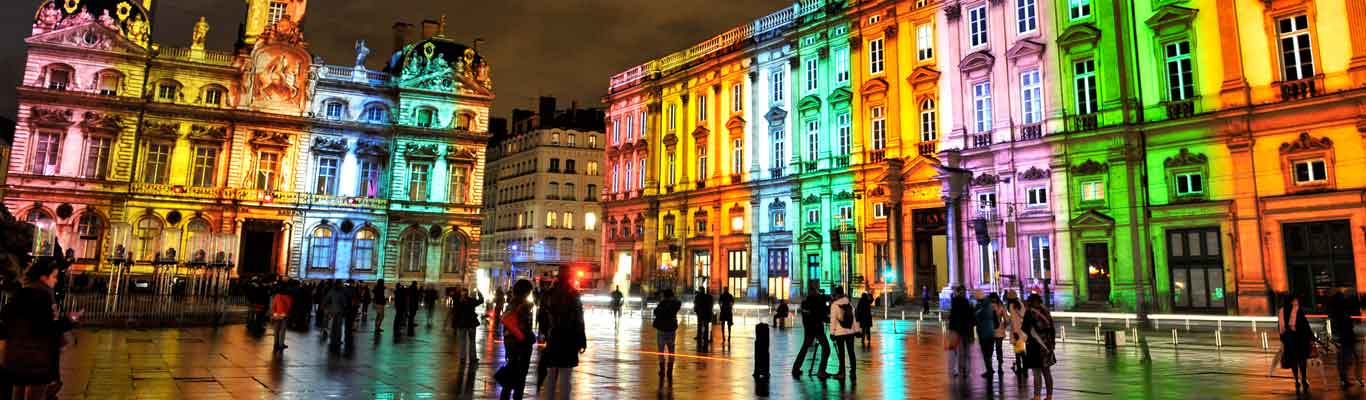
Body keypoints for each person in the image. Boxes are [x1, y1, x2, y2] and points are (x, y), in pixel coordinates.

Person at [3, 261, 81, 400]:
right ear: (43, 278)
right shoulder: (43, 296)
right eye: (54, 276)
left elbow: (7, 320)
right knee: (36, 393)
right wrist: (70, 320)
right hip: (37, 358)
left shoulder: (19, 294)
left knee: (18, 391)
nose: (56, 280)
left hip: (16, 356)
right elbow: (47, 328)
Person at [539, 267, 587, 400]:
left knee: (551, 375)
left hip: (553, 338)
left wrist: (544, 333)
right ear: (570, 278)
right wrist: (582, 339)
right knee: (566, 377)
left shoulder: (549, 294)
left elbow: (542, 316)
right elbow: (579, 319)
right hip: (569, 339)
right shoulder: (574, 295)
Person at [496, 280, 536, 400]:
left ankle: (505, 396)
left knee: (511, 371)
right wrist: (530, 337)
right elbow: (523, 326)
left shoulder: (511, 304)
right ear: (526, 291)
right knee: (521, 374)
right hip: (521, 342)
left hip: (510, 342)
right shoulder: (523, 305)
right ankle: (516, 397)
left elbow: (507, 324)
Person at [791, 283, 831, 378]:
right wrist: (830, 319)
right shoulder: (817, 303)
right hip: (817, 330)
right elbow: (823, 316)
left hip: (808, 330)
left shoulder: (805, 303)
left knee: (804, 349)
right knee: (826, 349)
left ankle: (795, 368)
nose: (818, 293)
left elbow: (807, 317)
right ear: (814, 292)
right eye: (816, 291)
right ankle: (821, 370)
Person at [1023, 294, 1056, 400]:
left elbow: (1025, 328)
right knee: (1047, 372)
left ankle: (1037, 396)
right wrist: (1053, 343)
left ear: (1030, 302)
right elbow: (1052, 329)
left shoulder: (1029, 313)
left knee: (1036, 372)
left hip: (1034, 347)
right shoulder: (1046, 312)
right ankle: (1049, 396)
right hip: (1047, 346)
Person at [1280, 294, 1314, 392]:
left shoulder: (1281, 311)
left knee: (1293, 361)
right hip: (1299, 338)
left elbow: (1280, 327)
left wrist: (1283, 339)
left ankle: (1296, 380)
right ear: (1292, 301)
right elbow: (1305, 324)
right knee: (1302, 359)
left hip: (1288, 339)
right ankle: (1304, 379)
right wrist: (1311, 336)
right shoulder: (1297, 310)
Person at [1329, 290, 1362, 387]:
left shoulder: (1337, 313)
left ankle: (1346, 379)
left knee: (1346, 359)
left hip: (1345, 338)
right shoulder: (1340, 313)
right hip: (1345, 338)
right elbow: (1344, 326)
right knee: (1347, 359)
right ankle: (1348, 379)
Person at [827, 286, 860, 381]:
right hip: (850, 332)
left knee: (841, 354)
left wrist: (832, 333)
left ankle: (842, 372)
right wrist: (857, 330)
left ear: (837, 294)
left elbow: (833, 320)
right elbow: (854, 319)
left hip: (839, 333)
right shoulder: (849, 303)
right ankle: (853, 372)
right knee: (851, 352)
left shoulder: (834, 305)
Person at [652, 289, 683, 380]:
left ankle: (662, 370)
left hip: (661, 330)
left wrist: (663, 300)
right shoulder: (674, 304)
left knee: (661, 351)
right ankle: (669, 370)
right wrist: (673, 298)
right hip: (671, 330)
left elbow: (656, 312)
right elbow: (679, 302)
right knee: (671, 351)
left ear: (664, 296)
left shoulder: (662, 304)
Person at [947, 286, 975, 377]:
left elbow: (952, 316)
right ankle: (964, 368)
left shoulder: (956, 301)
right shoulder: (964, 302)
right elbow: (969, 316)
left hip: (959, 329)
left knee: (959, 350)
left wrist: (951, 328)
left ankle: (959, 368)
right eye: (963, 292)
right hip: (963, 329)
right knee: (964, 349)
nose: (963, 293)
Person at [974, 291, 998, 377]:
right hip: (991, 332)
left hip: (983, 332)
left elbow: (976, 319)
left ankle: (989, 370)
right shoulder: (991, 306)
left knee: (985, 352)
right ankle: (990, 368)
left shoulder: (979, 307)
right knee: (989, 352)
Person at [459, 288, 484, 363]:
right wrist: (479, 293)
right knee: (472, 341)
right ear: (468, 293)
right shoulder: (471, 300)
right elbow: (481, 300)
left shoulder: (459, 301)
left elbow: (456, 313)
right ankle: (472, 358)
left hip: (463, 324)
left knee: (462, 341)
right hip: (471, 323)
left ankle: (462, 358)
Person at [1006, 292, 1027, 377]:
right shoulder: (1020, 304)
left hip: (1016, 331)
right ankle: (1025, 370)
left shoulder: (1012, 305)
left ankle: (1020, 369)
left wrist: (1015, 332)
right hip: (1022, 330)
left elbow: (1014, 320)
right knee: (1022, 350)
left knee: (1018, 352)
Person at [271, 280, 295, 352]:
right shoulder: (289, 296)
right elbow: (289, 307)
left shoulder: (277, 295)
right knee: (282, 331)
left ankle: (275, 344)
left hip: (277, 315)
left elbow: (273, 305)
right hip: (284, 315)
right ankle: (281, 344)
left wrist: (274, 313)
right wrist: (285, 313)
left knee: (276, 330)